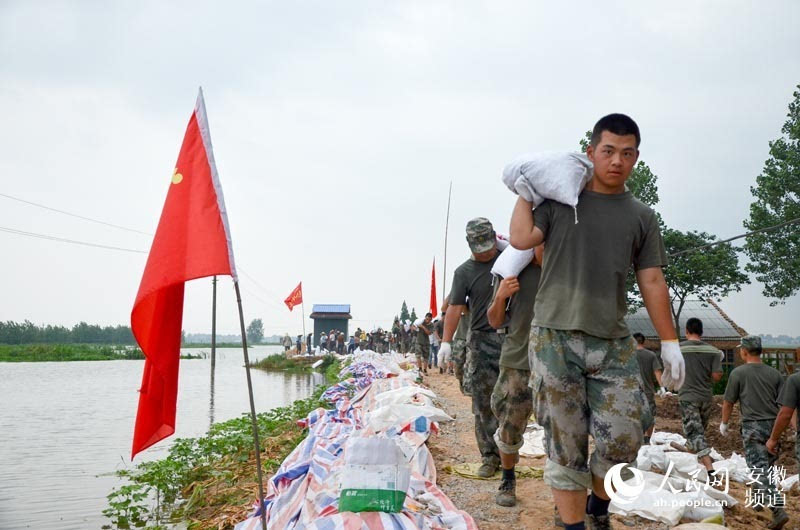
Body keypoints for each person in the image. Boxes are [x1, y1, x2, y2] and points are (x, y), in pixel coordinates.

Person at [509, 114, 684, 530]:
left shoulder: (640, 216)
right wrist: (524, 192)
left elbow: (653, 279)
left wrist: (670, 341)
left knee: (626, 437)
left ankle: (599, 507)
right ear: (591, 153)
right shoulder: (559, 205)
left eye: (627, 154)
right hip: (554, 337)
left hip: (613, 341)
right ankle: (572, 525)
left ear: (636, 158)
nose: (617, 161)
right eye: (608, 151)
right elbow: (519, 239)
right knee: (564, 442)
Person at [440, 217, 504, 478]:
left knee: (514, 399)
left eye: (489, 246)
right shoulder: (464, 272)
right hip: (480, 340)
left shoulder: (511, 259)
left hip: (513, 338)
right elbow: (454, 307)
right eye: (480, 248)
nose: (486, 252)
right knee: (482, 401)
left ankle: (509, 448)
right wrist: (446, 341)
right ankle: (490, 456)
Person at [486, 246, 542, 506]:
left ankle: (563, 499)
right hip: (518, 359)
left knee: (563, 431)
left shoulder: (570, 264)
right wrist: (500, 298)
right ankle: (508, 479)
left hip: (560, 361)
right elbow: (495, 321)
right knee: (509, 426)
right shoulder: (513, 268)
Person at [720, 335, 788, 529]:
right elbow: (784, 403)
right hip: (774, 426)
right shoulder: (775, 374)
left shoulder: (738, 373)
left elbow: (728, 401)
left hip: (752, 427)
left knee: (758, 468)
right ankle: (758, 501)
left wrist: (724, 423)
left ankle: (777, 510)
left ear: (744, 351)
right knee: (766, 465)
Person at [678, 317, 723, 473]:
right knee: (699, 431)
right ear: (702, 331)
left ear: (687, 331)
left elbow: (671, 373)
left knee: (695, 432)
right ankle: (692, 455)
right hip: (705, 397)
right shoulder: (713, 351)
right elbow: (717, 376)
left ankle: (709, 467)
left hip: (688, 396)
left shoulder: (679, 349)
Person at [633, 332, 663, 444]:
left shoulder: (627, 355)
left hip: (631, 392)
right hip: (647, 391)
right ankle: (647, 439)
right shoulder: (651, 355)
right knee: (650, 416)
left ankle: (637, 438)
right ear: (643, 341)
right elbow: (657, 371)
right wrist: (662, 387)